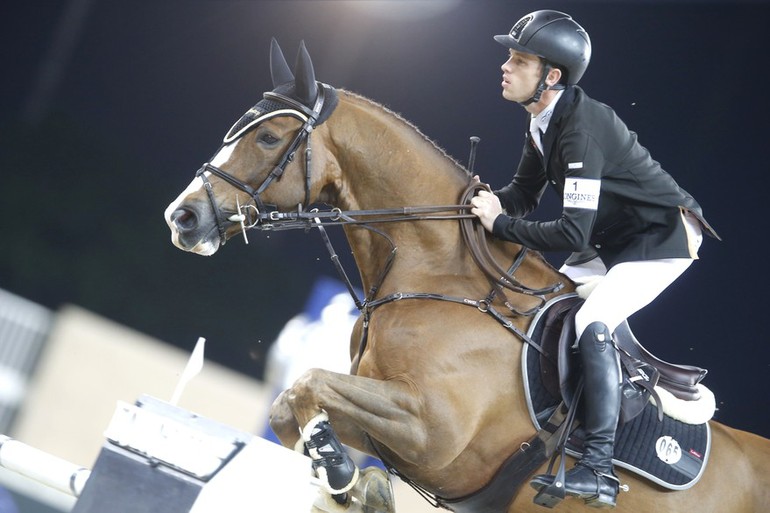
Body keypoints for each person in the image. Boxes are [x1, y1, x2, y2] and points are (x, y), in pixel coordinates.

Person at [470, 9, 719, 509]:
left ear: (550, 76)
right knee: (541, 297)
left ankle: (599, 467)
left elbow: (569, 231)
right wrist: (472, 207)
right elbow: (520, 194)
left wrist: (499, 224)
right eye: (509, 57)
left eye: (519, 60)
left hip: (660, 238)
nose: (505, 66)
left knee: (593, 321)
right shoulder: (544, 119)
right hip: (610, 237)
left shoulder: (580, 128)